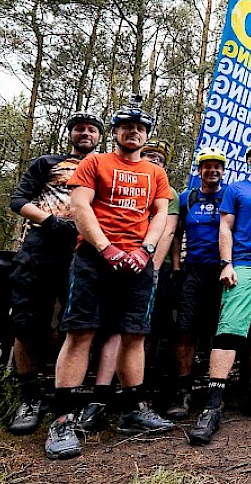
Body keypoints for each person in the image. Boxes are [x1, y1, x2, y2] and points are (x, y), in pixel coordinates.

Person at [44, 99, 175, 460]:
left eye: (140, 128)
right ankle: (63, 419)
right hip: (94, 259)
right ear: (115, 131)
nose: (134, 132)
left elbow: (161, 215)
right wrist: (106, 248)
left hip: (138, 261)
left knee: (134, 334)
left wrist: (145, 251)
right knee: (81, 333)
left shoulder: (155, 173)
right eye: (127, 126)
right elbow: (79, 206)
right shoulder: (94, 162)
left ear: (146, 135)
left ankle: (132, 410)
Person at [187, 137, 251, 446]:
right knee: (229, 332)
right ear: (250, 160)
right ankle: (212, 405)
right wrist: (226, 263)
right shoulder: (235, 190)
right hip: (244, 265)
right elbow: (225, 228)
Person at [75, 137, 180, 433]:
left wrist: (150, 264)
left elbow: (167, 228)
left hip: (145, 263)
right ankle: (99, 398)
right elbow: (83, 207)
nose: (154, 160)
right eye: (150, 155)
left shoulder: (166, 187)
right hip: (104, 258)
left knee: (136, 333)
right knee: (102, 331)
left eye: (160, 157)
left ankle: (135, 402)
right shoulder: (103, 166)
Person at [6, 112, 103, 434]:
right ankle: (30, 396)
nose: (85, 133)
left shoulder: (105, 167)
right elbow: (18, 200)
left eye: (91, 130)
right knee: (26, 322)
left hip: (85, 249)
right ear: (71, 134)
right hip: (42, 245)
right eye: (79, 129)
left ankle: (66, 397)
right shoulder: (47, 163)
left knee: (76, 324)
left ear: (100, 137)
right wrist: (49, 221)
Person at [166, 146, 228, 420]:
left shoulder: (229, 196)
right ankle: (182, 390)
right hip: (192, 270)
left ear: (222, 171)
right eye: (207, 167)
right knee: (185, 329)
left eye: (217, 167)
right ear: (200, 170)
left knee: (220, 331)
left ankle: (217, 389)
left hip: (222, 271)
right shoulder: (187, 197)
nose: (212, 171)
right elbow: (176, 233)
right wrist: (176, 267)